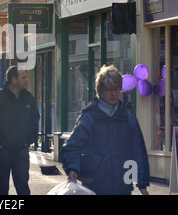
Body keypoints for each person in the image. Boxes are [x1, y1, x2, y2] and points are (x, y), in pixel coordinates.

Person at [60, 64, 150, 195]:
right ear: (100, 90)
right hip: (95, 184)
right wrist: (72, 169)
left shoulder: (128, 117)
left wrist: (142, 184)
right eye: (109, 90)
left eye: (117, 89)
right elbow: (72, 146)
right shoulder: (89, 117)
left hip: (122, 185)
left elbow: (138, 152)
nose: (114, 94)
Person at [0, 66, 39, 195]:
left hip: (21, 151)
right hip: (2, 151)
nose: (27, 80)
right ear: (14, 80)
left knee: (23, 188)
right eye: (23, 77)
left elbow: (34, 120)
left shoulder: (28, 98)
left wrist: (28, 141)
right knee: (2, 189)